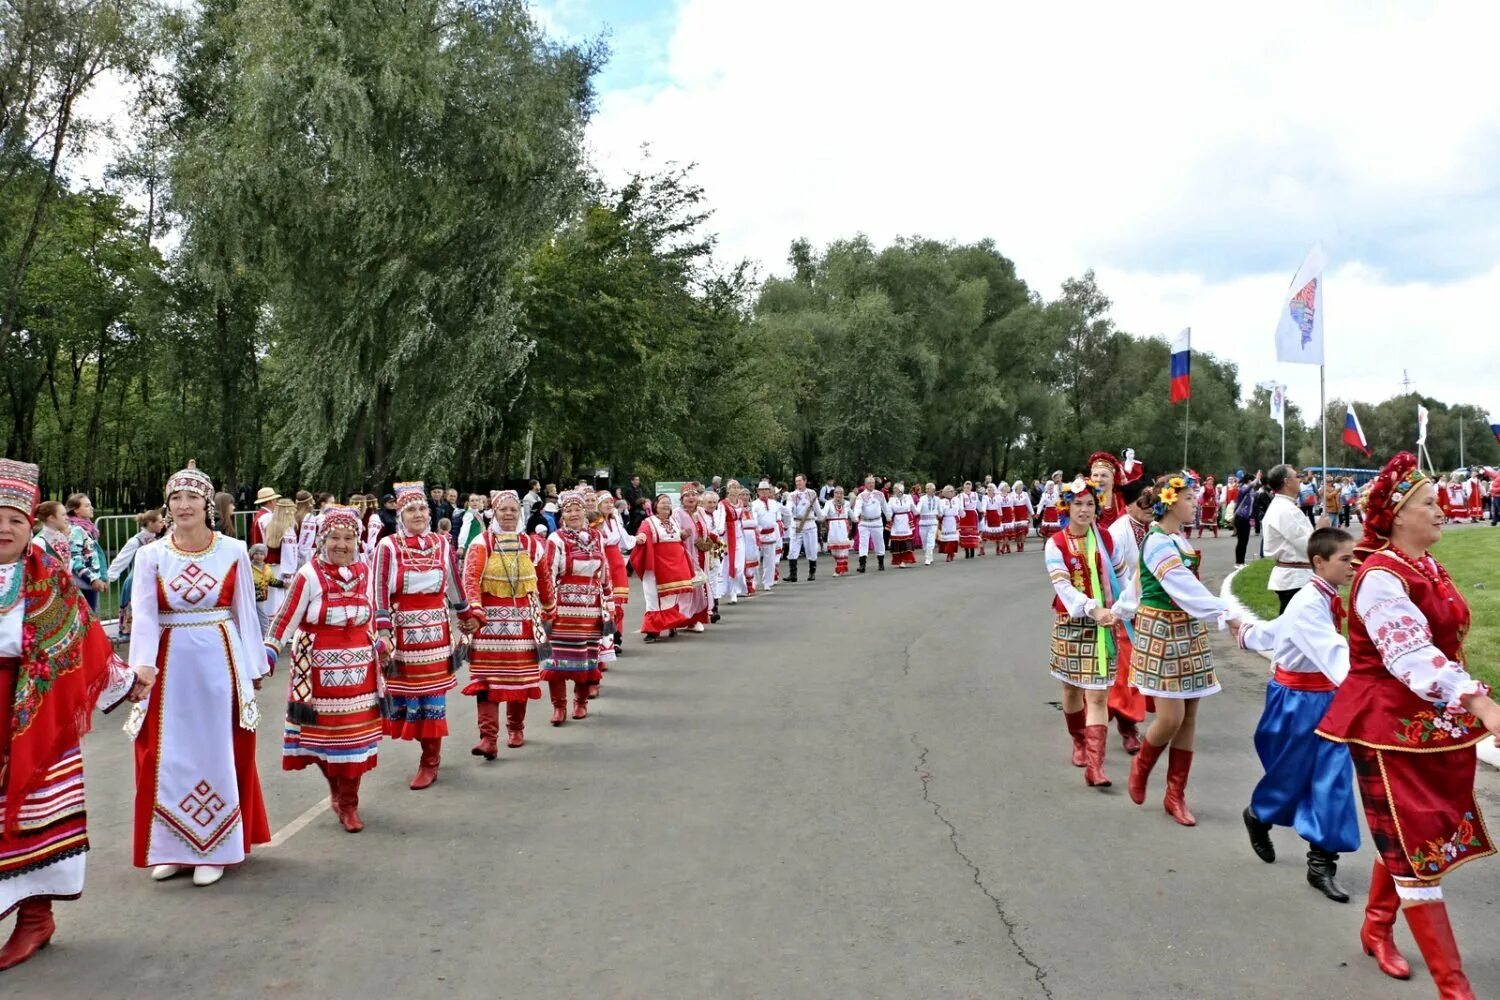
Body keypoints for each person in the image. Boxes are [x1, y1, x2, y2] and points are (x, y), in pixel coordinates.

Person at [1317, 453, 1500, 998]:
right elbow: (1410, 655)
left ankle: (1376, 927)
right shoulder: (1378, 578)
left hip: (1430, 725)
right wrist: (1479, 702)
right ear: (1398, 515)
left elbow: (1442, 645)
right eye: (1428, 502)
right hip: (1386, 728)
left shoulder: (1424, 567)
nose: (1441, 509)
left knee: (1417, 840)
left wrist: (1465, 700)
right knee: (1416, 852)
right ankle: (1455, 988)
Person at [0, 459, 148, 971]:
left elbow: (86, 642)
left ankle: (35, 919)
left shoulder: (51, 583)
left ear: (30, 528)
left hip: (34, 720)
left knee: (34, 814)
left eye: (16, 520)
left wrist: (127, 682)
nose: (5, 528)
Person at [127, 466, 272, 888]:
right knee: (168, 753)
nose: (183, 506)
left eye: (191, 498)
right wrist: (142, 670)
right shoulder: (150, 555)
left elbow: (245, 611)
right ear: (167, 506)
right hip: (170, 663)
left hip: (218, 660)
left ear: (207, 505)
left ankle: (215, 848)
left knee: (215, 749)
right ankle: (174, 848)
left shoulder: (233, 550)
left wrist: (252, 667)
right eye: (175, 499)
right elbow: (145, 618)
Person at [1236, 526, 1359, 903]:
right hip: (1298, 701)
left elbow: (1279, 631)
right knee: (1294, 775)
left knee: (1333, 777)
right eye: (1345, 559)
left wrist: (1248, 634)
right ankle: (1260, 813)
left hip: (1324, 698)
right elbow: (1332, 652)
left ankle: (1321, 863)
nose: (1353, 565)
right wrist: (1369, 684)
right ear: (1319, 563)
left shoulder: (1317, 597)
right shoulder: (1309, 603)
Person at [1126, 474, 1237, 827]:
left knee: (1189, 716)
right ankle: (1142, 765)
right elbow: (1181, 586)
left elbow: (1147, 583)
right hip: (1161, 630)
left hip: (1186, 630)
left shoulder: (1177, 540)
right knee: (1170, 717)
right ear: (1171, 502)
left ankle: (1176, 794)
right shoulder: (1158, 542)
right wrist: (1225, 613)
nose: (1195, 503)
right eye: (1190, 498)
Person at [262, 506, 382, 833]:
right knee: (326, 742)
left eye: (348, 538)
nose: (341, 545)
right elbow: (284, 618)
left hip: (359, 671)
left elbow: (371, 613)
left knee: (354, 741)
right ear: (322, 540)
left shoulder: (365, 570)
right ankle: (336, 788)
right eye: (334, 538)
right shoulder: (309, 575)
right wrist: (269, 654)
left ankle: (349, 804)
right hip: (317, 674)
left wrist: (382, 644)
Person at [371, 482, 474, 791]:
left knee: (433, 699)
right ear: (400, 515)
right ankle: (426, 747)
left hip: (436, 636)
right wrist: (383, 630)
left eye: (421, 509)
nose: (417, 514)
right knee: (406, 701)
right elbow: (378, 591)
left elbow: (455, 584)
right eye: (410, 510)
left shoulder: (442, 544)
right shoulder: (388, 546)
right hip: (403, 637)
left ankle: (430, 760)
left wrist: (467, 616)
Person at [1045, 477, 1133, 788]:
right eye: (1078, 504)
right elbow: (1063, 586)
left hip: (1105, 623)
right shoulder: (1055, 543)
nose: (1084, 509)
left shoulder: (1107, 540)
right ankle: (1079, 741)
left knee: (1097, 693)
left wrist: (1123, 610)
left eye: (1090, 504)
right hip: (1072, 623)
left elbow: (1124, 580)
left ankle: (1095, 766)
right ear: (1067, 507)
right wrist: (1092, 608)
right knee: (1071, 690)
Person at [459, 491, 552, 751]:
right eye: (503, 510)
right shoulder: (482, 542)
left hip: (523, 623)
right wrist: (474, 611)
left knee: (519, 680)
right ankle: (488, 738)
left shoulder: (533, 544)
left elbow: (544, 580)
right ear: (494, 513)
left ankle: (516, 728)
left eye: (514, 509)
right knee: (486, 682)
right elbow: (471, 579)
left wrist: (549, 610)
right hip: (488, 626)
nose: (509, 514)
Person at [544, 491, 613, 720]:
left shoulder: (596, 537)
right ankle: (559, 706)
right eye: (568, 510)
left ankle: (581, 702)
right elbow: (547, 575)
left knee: (586, 657)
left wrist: (608, 601)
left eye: (577, 509)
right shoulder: (556, 539)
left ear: (585, 512)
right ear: (562, 515)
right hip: (564, 609)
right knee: (558, 660)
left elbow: (604, 573)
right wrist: (549, 609)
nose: (573, 514)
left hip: (591, 607)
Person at [1105, 474, 1155, 755]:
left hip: (1151, 611)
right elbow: (1116, 578)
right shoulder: (1118, 532)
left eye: (1153, 500)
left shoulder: (1157, 528)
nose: (1149, 506)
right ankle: (1126, 725)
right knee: (1128, 673)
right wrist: (1130, 607)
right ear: (1129, 504)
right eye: (1143, 500)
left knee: (1144, 672)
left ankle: (1105, 716)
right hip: (1126, 613)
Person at [631, 494, 698, 643]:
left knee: (670, 596)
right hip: (656, 564)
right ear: (655, 506)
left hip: (675, 563)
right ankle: (652, 630)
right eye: (663, 503)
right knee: (653, 596)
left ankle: (671, 624)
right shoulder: (648, 522)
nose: (666, 506)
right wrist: (641, 536)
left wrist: (683, 534)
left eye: (668, 503)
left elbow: (676, 537)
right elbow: (643, 533)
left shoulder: (673, 521)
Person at [1263, 464, 1325, 613]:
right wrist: (1321, 530)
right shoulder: (1285, 510)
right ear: (1287, 482)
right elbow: (1308, 546)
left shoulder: (1284, 506)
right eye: (1296, 476)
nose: (1300, 479)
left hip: (1296, 578)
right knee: (1295, 631)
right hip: (1295, 580)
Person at [63, 494, 106, 612]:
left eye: (90, 505)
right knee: (87, 621)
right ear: (76, 510)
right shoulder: (76, 530)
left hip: (88, 583)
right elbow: (75, 559)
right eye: (87, 506)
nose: (91, 508)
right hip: (83, 584)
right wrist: (92, 580)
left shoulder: (86, 528)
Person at [783, 474, 822, 582]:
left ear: (805, 481)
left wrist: (821, 517)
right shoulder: (792, 495)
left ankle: (812, 572)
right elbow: (788, 509)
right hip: (796, 524)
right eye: (796, 481)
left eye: (800, 481)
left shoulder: (811, 493)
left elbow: (817, 509)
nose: (798, 483)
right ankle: (793, 574)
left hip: (809, 523)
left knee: (811, 549)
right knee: (793, 550)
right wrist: (784, 511)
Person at [852, 476, 890, 573]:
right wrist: (855, 516)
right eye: (868, 482)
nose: (871, 484)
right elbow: (857, 507)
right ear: (865, 484)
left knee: (879, 542)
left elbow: (885, 507)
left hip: (877, 522)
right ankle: (862, 564)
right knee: (863, 543)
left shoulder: (880, 494)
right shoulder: (861, 495)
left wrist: (889, 517)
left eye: (872, 482)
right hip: (864, 522)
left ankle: (881, 562)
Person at [750, 480, 783, 590]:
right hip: (759, 535)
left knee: (770, 560)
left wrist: (785, 525)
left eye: (766, 490)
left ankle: (767, 582)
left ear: (769, 491)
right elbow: (753, 519)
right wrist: (757, 530)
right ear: (758, 491)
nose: (764, 492)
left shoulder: (774, 504)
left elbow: (786, 513)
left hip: (771, 534)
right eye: (762, 490)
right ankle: (754, 581)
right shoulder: (754, 504)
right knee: (756, 560)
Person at [1087, 452, 1128, 531]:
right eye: (1095, 475)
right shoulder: (1086, 501)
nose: (1099, 480)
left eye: (1104, 475)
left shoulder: (1122, 500)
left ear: (1113, 480)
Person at [821, 487, 854, 575]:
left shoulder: (846, 503)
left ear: (843, 494)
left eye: (841, 493)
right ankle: (841, 565)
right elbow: (824, 512)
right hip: (832, 527)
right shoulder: (828, 503)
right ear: (834, 494)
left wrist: (857, 519)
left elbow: (851, 514)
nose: (839, 495)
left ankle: (840, 569)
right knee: (834, 549)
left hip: (843, 526)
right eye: (836, 493)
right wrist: (821, 517)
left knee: (843, 547)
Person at [887, 483, 917, 567]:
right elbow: (889, 510)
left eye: (896, 488)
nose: (894, 490)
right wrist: (888, 517)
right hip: (896, 521)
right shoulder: (892, 499)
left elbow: (913, 508)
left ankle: (905, 560)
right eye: (894, 488)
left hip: (906, 520)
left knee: (906, 541)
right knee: (897, 541)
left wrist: (919, 512)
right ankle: (899, 560)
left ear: (901, 489)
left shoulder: (908, 497)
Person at [1232, 475, 1257, 567]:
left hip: (1246, 518)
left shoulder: (1251, 491)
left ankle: (1241, 562)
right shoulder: (1243, 488)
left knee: (1244, 541)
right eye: (1253, 480)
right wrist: (1255, 480)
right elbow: (1245, 491)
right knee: (1241, 541)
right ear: (1249, 481)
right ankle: (1238, 562)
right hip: (1241, 517)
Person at [915, 483, 942, 566]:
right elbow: (918, 508)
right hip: (923, 522)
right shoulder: (922, 498)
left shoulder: (937, 499)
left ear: (933, 490)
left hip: (933, 522)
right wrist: (916, 511)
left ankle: (927, 558)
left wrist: (940, 514)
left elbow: (940, 510)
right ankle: (929, 555)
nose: (926, 490)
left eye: (928, 488)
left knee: (930, 540)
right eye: (926, 488)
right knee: (924, 541)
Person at [936, 485, 961, 562]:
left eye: (953, 491)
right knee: (947, 539)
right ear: (946, 492)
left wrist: (962, 515)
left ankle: (950, 554)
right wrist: (939, 517)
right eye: (950, 491)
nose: (952, 492)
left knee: (953, 539)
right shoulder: (941, 501)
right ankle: (949, 553)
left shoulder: (957, 500)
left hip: (954, 520)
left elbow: (960, 509)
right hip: (945, 520)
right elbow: (940, 512)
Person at [957, 481, 981, 558]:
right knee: (965, 533)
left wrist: (982, 510)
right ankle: (967, 552)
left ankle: (972, 551)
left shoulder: (975, 494)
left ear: (971, 487)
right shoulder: (961, 495)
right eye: (966, 487)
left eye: (969, 486)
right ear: (964, 487)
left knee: (973, 533)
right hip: (965, 515)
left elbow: (978, 504)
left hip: (973, 515)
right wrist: (961, 512)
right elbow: (960, 505)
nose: (967, 488)